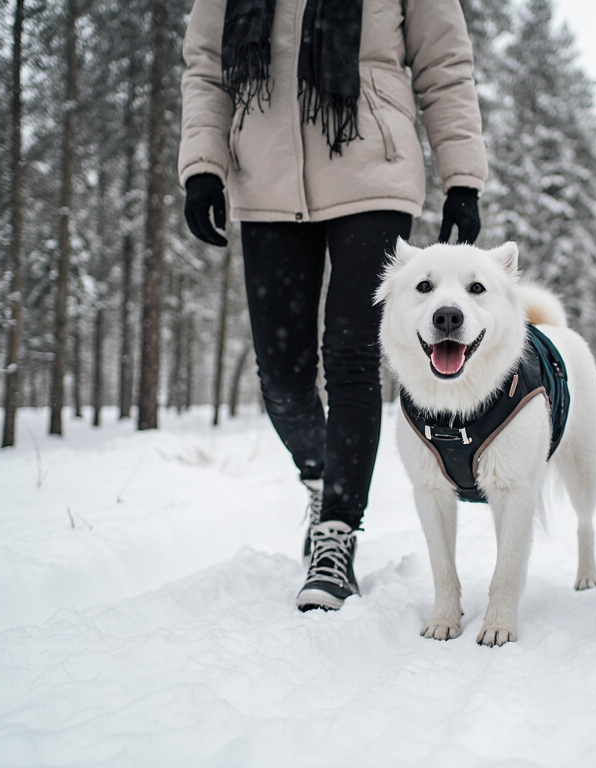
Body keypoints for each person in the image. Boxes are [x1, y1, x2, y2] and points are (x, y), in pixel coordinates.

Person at [178, 0, 487, 611]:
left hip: (373, 171)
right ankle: (322, 474)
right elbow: (206, 67)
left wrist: (463, 178)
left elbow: (444, 64)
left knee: (349, 356)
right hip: (263, 178)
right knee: (283, 378)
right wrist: (203, 166)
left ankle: (336, 535)